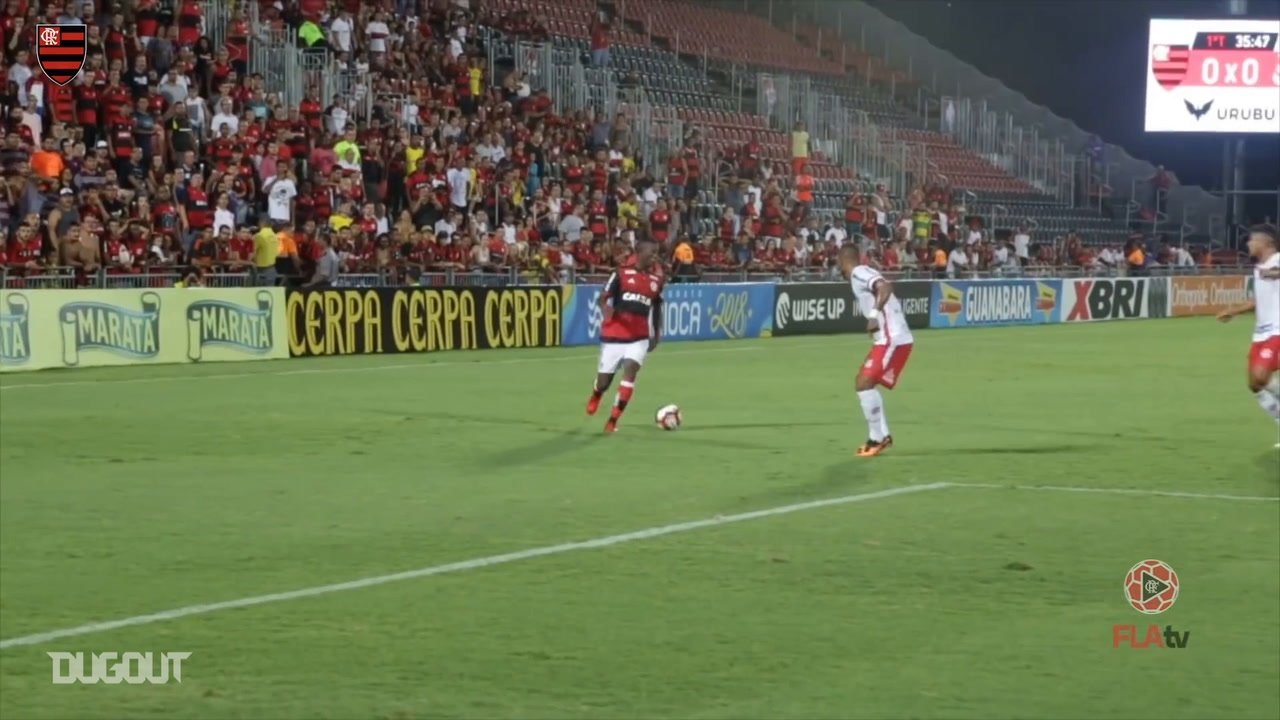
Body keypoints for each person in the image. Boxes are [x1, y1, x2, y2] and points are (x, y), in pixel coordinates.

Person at [840, 245, 915, 457]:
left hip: (892, 337)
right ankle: (882, 435)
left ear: (842, 262)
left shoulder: (859, 272)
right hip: (889, 338)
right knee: (865, 383)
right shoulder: (864, 272)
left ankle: (876, 438)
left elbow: (885, 286)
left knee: (863, 383)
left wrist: (873, 314)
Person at [586, 237, 665, 433]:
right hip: (616, 334)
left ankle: (613, 420)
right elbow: (603, 297)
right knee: (604, 382)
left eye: (656, 253)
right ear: (640, 253)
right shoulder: (620, 274)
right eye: (651, 253)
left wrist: (656, 332)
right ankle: (597, 393)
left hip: (639, 337)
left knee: (630, 374)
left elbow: (656, 306)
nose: (654, 257)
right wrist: (605, 309)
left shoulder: (656, 281)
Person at [1216, 224, 1280, 446]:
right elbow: (1258, 301)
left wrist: (1272, 273)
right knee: (1255, 385)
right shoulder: (1258, 268)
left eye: (1253, 240)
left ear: (1267, 242)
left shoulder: (1276, 260)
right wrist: (1234, 310)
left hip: (1277, 331)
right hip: (1261, 334)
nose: (1248, 244)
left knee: (1262, 376)